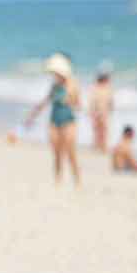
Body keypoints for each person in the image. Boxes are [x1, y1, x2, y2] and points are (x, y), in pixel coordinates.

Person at [25, 53, 82, 185]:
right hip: (54, 119)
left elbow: (78, 105)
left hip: (68, 120)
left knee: (70, 152)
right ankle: (58, 180)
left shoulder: (72, 84)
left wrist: (70, 99)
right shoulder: (55, 86)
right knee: (56, 153)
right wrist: (31, 116)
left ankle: (77, 180)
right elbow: (45, 102)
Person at [88, 71, 114, 152]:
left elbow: (110, 101)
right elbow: (92, 101)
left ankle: (101, 146)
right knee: (100, 130)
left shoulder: (105, 88)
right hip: (99, 112)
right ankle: (100, 146)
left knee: (101, 130)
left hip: (102, 112)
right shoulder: (98, 88)